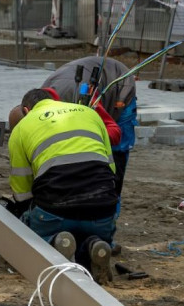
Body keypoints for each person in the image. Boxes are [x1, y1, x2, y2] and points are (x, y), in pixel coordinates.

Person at [8, 88, 118, 283]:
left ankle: (55, 242)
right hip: (102, 212)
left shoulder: (22, 127)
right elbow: (111, 169)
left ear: (26, 110)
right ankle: (95, 244)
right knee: (91, 227)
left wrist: (27, 212)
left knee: (30, 228)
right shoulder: (89, 113)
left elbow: (22, 190)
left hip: (55, 212)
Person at [42, 56, 138, 196]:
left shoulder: (85, 98)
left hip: (119, 83)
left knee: (117, 151)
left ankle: (113, 198)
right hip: (81, 80)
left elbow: (113, 133)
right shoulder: (41, 100)